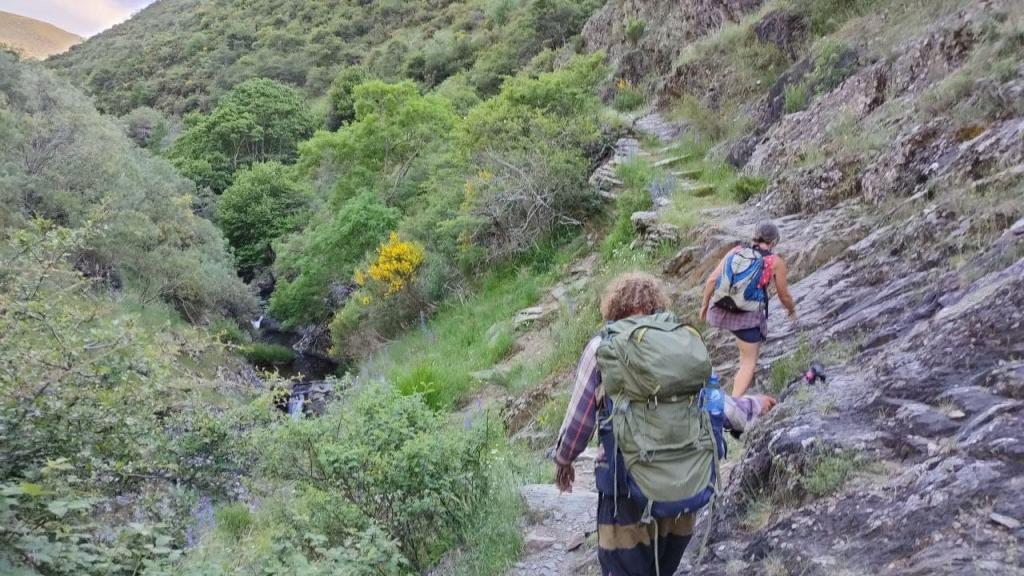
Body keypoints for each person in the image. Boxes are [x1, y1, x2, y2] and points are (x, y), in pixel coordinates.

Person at [554, 272, 774, 576]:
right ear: (657, 305)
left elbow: (579, 421)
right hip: (685, 487)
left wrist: (564, 460)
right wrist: (754, 406)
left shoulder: (603, 346)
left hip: (627, 492)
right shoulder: (681, 343)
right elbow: (715, 403)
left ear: (613, 308)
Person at [699, 221, 796, 397]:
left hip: (719, 312)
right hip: (747, 319)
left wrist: (705, 305)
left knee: (737, 350)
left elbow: (712, 280)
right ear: (774, 242)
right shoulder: (774, 262)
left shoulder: (736, 251)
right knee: (748, 362)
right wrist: (791, 311)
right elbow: (784, 295)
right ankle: (733, 405)